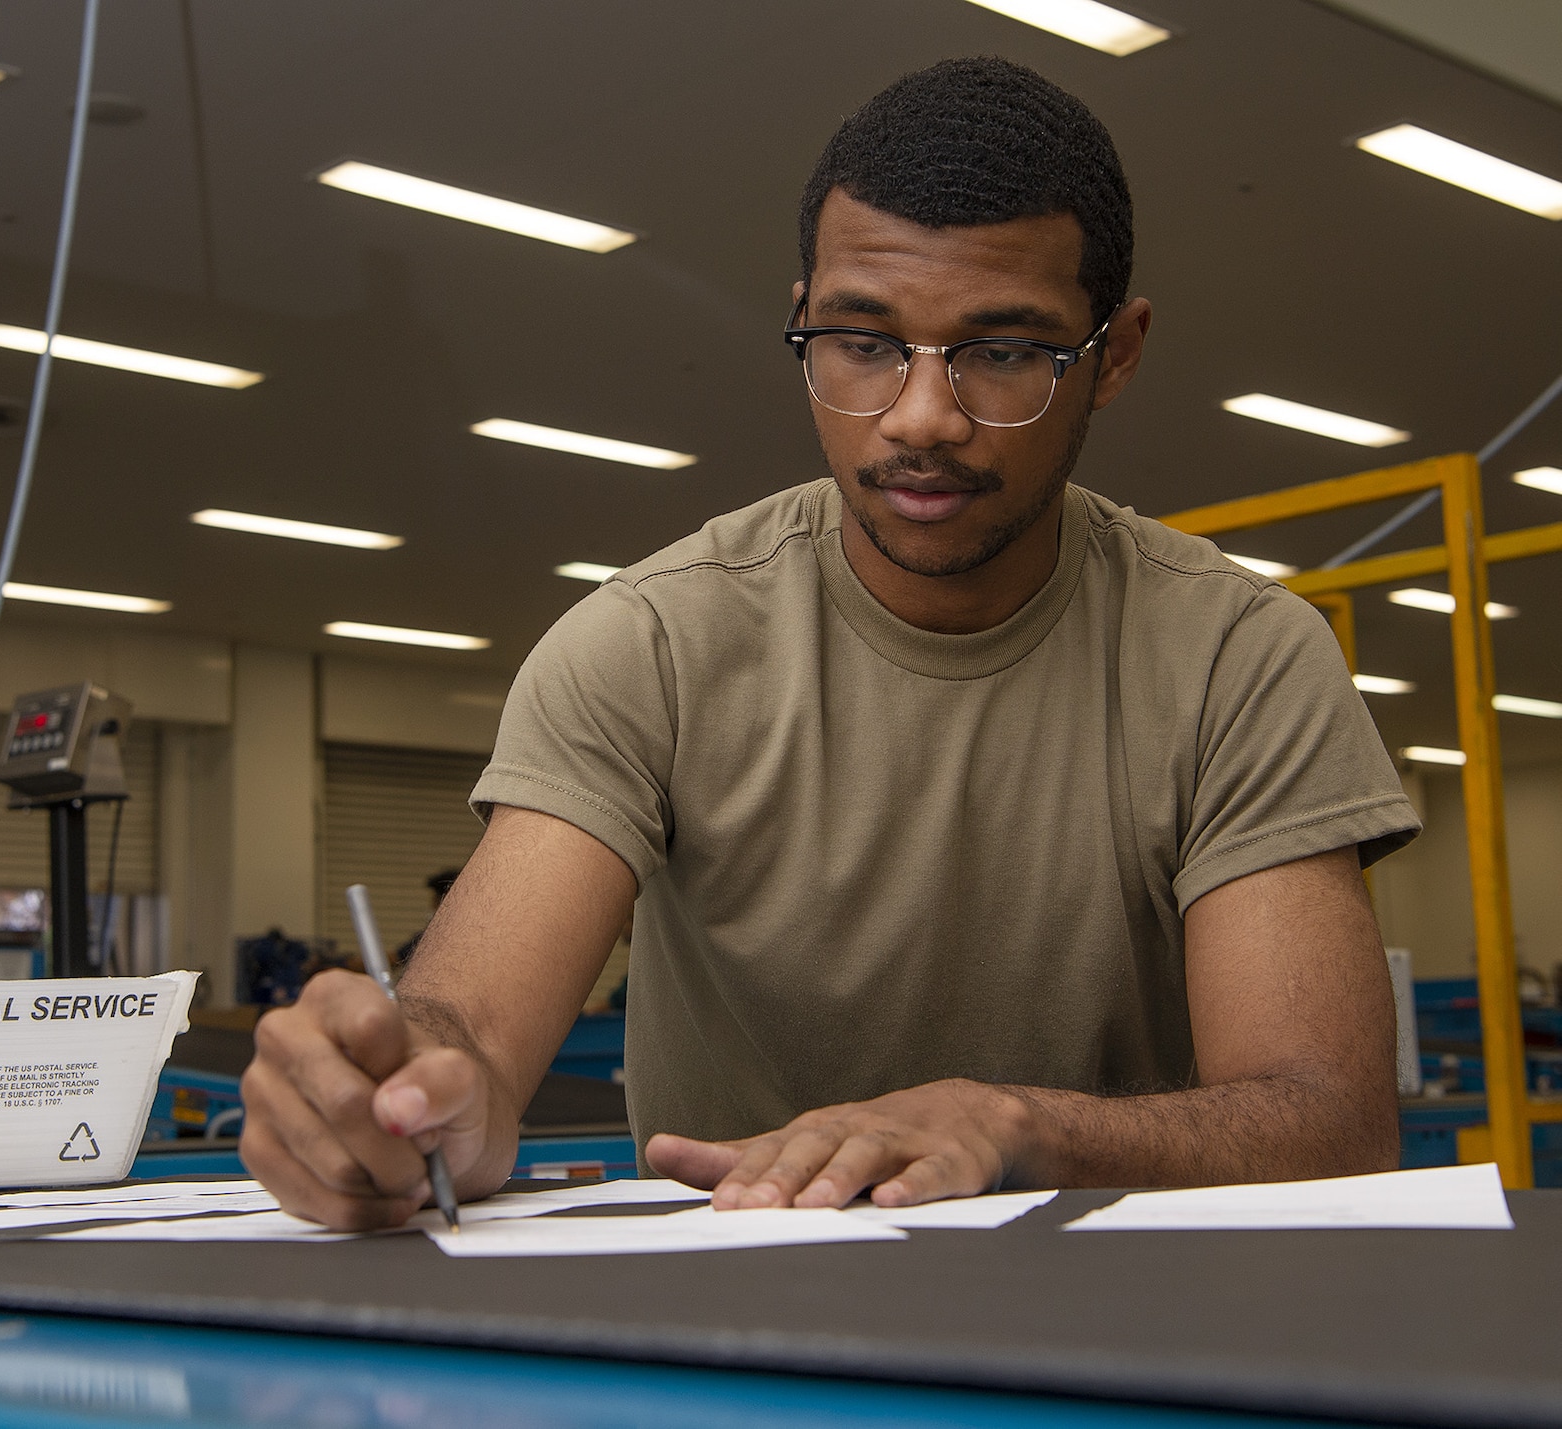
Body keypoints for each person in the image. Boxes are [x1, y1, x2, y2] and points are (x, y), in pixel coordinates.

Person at [241, 57, 1420, 1229]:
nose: (919, 417)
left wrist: (1013, 1128)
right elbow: (473, 1040)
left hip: (1127, 1342)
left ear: (1112, 352)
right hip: (731, 1335)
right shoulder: (646, 645)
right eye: (861, 340)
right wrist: (408, 1089)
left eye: (1002, 352)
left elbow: (1330, 1124)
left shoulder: (1239, 658)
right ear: (803, 314)